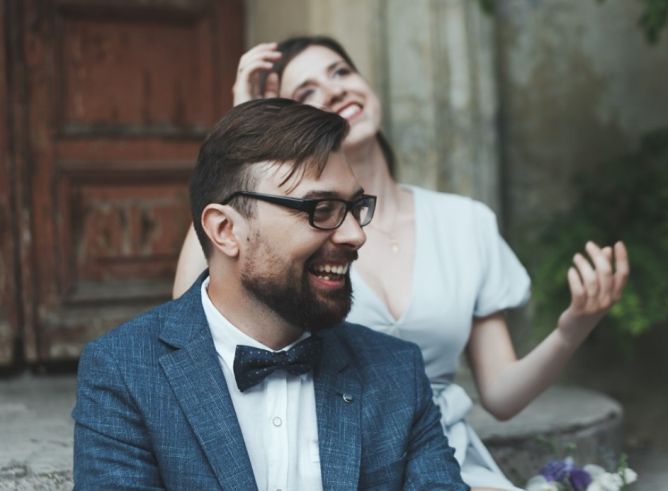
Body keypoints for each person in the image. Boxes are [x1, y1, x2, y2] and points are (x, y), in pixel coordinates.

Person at [173, 36, 630, 491]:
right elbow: (191, 314)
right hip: (330, 456)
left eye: (340, 72)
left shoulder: (465, 221)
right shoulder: (291, 241)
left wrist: (573, 328)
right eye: (307, 93)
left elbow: (502, 396)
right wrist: (237, 147)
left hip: (447, 455)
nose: (334, 91)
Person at [73, 98, 466, 490]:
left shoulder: (397, 371)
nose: (356, 234)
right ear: (226, 230)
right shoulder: (124, 371)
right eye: (322, 209)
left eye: (355, 207)